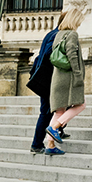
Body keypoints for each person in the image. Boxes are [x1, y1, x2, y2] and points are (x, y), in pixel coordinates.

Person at [42, 8, 88, 155]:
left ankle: (50, 145)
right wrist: (78, 75)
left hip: (57, 77)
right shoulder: (72, 34)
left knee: (59, 111)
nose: (80, 23)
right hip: (68, 78)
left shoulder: (59, 34)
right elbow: (72, 55)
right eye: (79, 20)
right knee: (81, 105)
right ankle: (55, 127)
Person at [28, 14, 61, 154]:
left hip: (44, 78)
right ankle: (36, 144)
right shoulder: (56, 35)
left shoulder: (51, 33)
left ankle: (59, 129)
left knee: (55, 109)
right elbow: (48, 54)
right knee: (46, 112)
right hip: (48, 79)